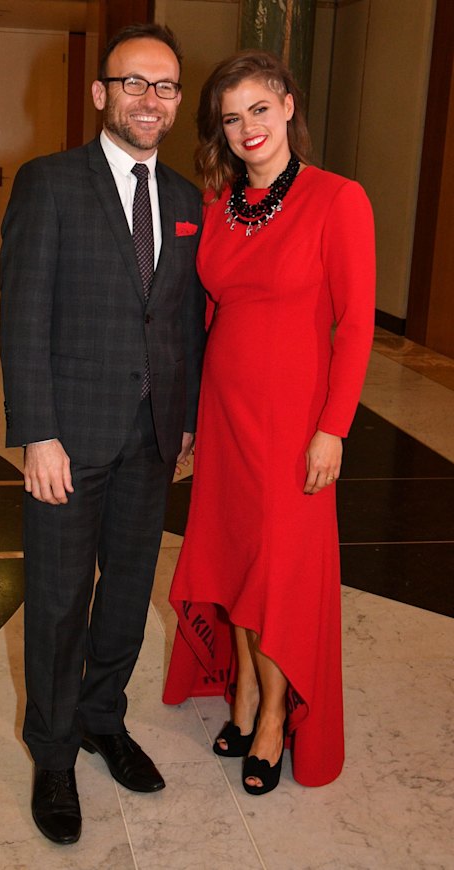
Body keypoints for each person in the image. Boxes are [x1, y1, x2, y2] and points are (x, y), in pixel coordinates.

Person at [0, 23, 206, 844]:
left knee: (124, 594)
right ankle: (52, 753)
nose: (149, 100)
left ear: (178, 102)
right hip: (69, 437)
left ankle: (101, 720)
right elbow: (23, 318)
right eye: (133, 83)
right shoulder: (49, 184)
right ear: (101, 93)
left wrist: (184, 419)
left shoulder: (187, 200)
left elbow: (182, 319)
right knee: (55, 602)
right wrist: (37, 434)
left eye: (164, 87)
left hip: (151, 438)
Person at [163, 50, 376, 795]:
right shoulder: (219, 208)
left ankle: (278, 714)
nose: (247, 127)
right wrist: (190, 416)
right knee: (236, 561)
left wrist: (334, 428)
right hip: (226, 418)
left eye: (259, 108)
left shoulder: (337, 199)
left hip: (295, 423)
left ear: (287, 105)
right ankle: (248, 688)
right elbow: (212, 316)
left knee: (282, 572)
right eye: (231, 117)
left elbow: (354, 328)